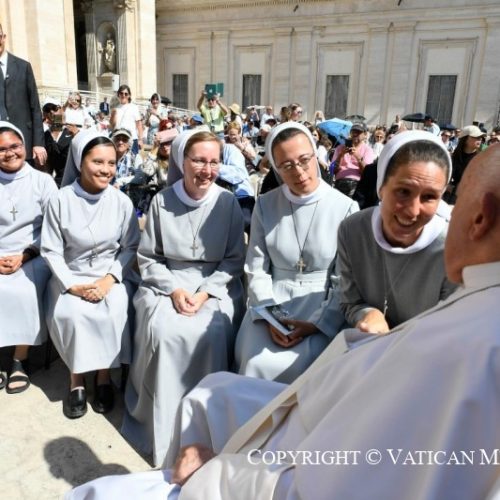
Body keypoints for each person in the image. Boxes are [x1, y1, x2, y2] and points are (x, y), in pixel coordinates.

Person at [67, 144, 500, 500]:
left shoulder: (464, 334)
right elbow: (272, 271)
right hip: (300, 331)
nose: (417, 211)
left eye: (439, 201)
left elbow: (344, 472)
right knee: (213, 382)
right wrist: (280, 311)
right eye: (402, 193)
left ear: (479, 217)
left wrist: (215, 473)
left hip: (334, 410)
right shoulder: (465, 299)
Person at [122, 130, 246, 467]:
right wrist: (175, 290)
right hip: (167, 282)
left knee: (213, 330)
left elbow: (234, 260)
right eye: (199, 161)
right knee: (164, 331)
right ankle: (161, 428)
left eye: (214, 162)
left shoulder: (228, 203)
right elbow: (149, 258)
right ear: (182, 161)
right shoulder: (162, 201)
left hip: (214, 284)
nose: (207, 170)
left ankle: (207, 428)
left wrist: (204, 293)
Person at [234, 122, 358, 384]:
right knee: (256, 361)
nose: (299, 172)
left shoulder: (346, 207)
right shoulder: (265, 204)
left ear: (315, 155)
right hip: (271, 302)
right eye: (287, 165)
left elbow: (344, 280)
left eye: (304, 160)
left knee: (312, 363)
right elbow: (256, 269)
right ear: (276, 168)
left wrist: (317, 323)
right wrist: (271, 317)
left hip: (323, 305)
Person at [41, 131, 140, 419]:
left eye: (111, 163)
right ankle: (76, 379)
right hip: (70, 275)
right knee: (74, 314)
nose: (106, 170)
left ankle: (103, 376)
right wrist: (72, 285)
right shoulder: (60, 200)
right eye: (98, 162)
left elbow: (130, 247)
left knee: (116, 310)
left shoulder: (121, 201)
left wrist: (108, 281)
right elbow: (51, 250)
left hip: (110, 274)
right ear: (79, 161)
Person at [337, 130, 457, 334]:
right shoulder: (352, 230)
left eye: (429, 197)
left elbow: (450, 328)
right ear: (381, 187)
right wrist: (367, 314)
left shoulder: (453, 249)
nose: (413, 211)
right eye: (403, 192)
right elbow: (349, 301)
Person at [0, 121, 57, 393]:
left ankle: (19, 359)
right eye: (1, 149)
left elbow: (54, 229)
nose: (10, 153)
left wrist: (24, 255)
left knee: (23, 289)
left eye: (15, 146)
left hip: (34, 252)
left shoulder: (42, 181)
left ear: (24, 145)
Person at [0, 24, 47, 168]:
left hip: (23, 143)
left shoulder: (23, 67)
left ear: (4, 37)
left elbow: (35, 107)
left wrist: (38, 143)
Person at [332, 122, 375, 197]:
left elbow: (366, 173)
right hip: (340, 182)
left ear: (365, 134)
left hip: (357, 183)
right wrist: (340, 156)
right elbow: (332, 170)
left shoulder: (368, 150)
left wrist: (357, 157)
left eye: (358, 132)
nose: (355, 134)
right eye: (353, 132)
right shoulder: (340, 148)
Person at [446, 125, 486, 204]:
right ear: (466, 139)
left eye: (481, 137)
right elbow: (446, 175)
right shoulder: (454, 156)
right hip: (450, 198)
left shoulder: (481, 159)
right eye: (477, 137)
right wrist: (447, 185)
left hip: (469, 200)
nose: (480, 139)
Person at [110, 84, 143, 154]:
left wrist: (140, 139)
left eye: (126, 94)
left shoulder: (134, 107)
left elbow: (139, 124)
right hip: (119, 139)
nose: (123, 95)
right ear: (118, 94)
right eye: (121, 93)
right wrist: (113, 115)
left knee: (133, 159)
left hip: (132, 139)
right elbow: (112, 125)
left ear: (129, 95)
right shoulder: (116, 108)